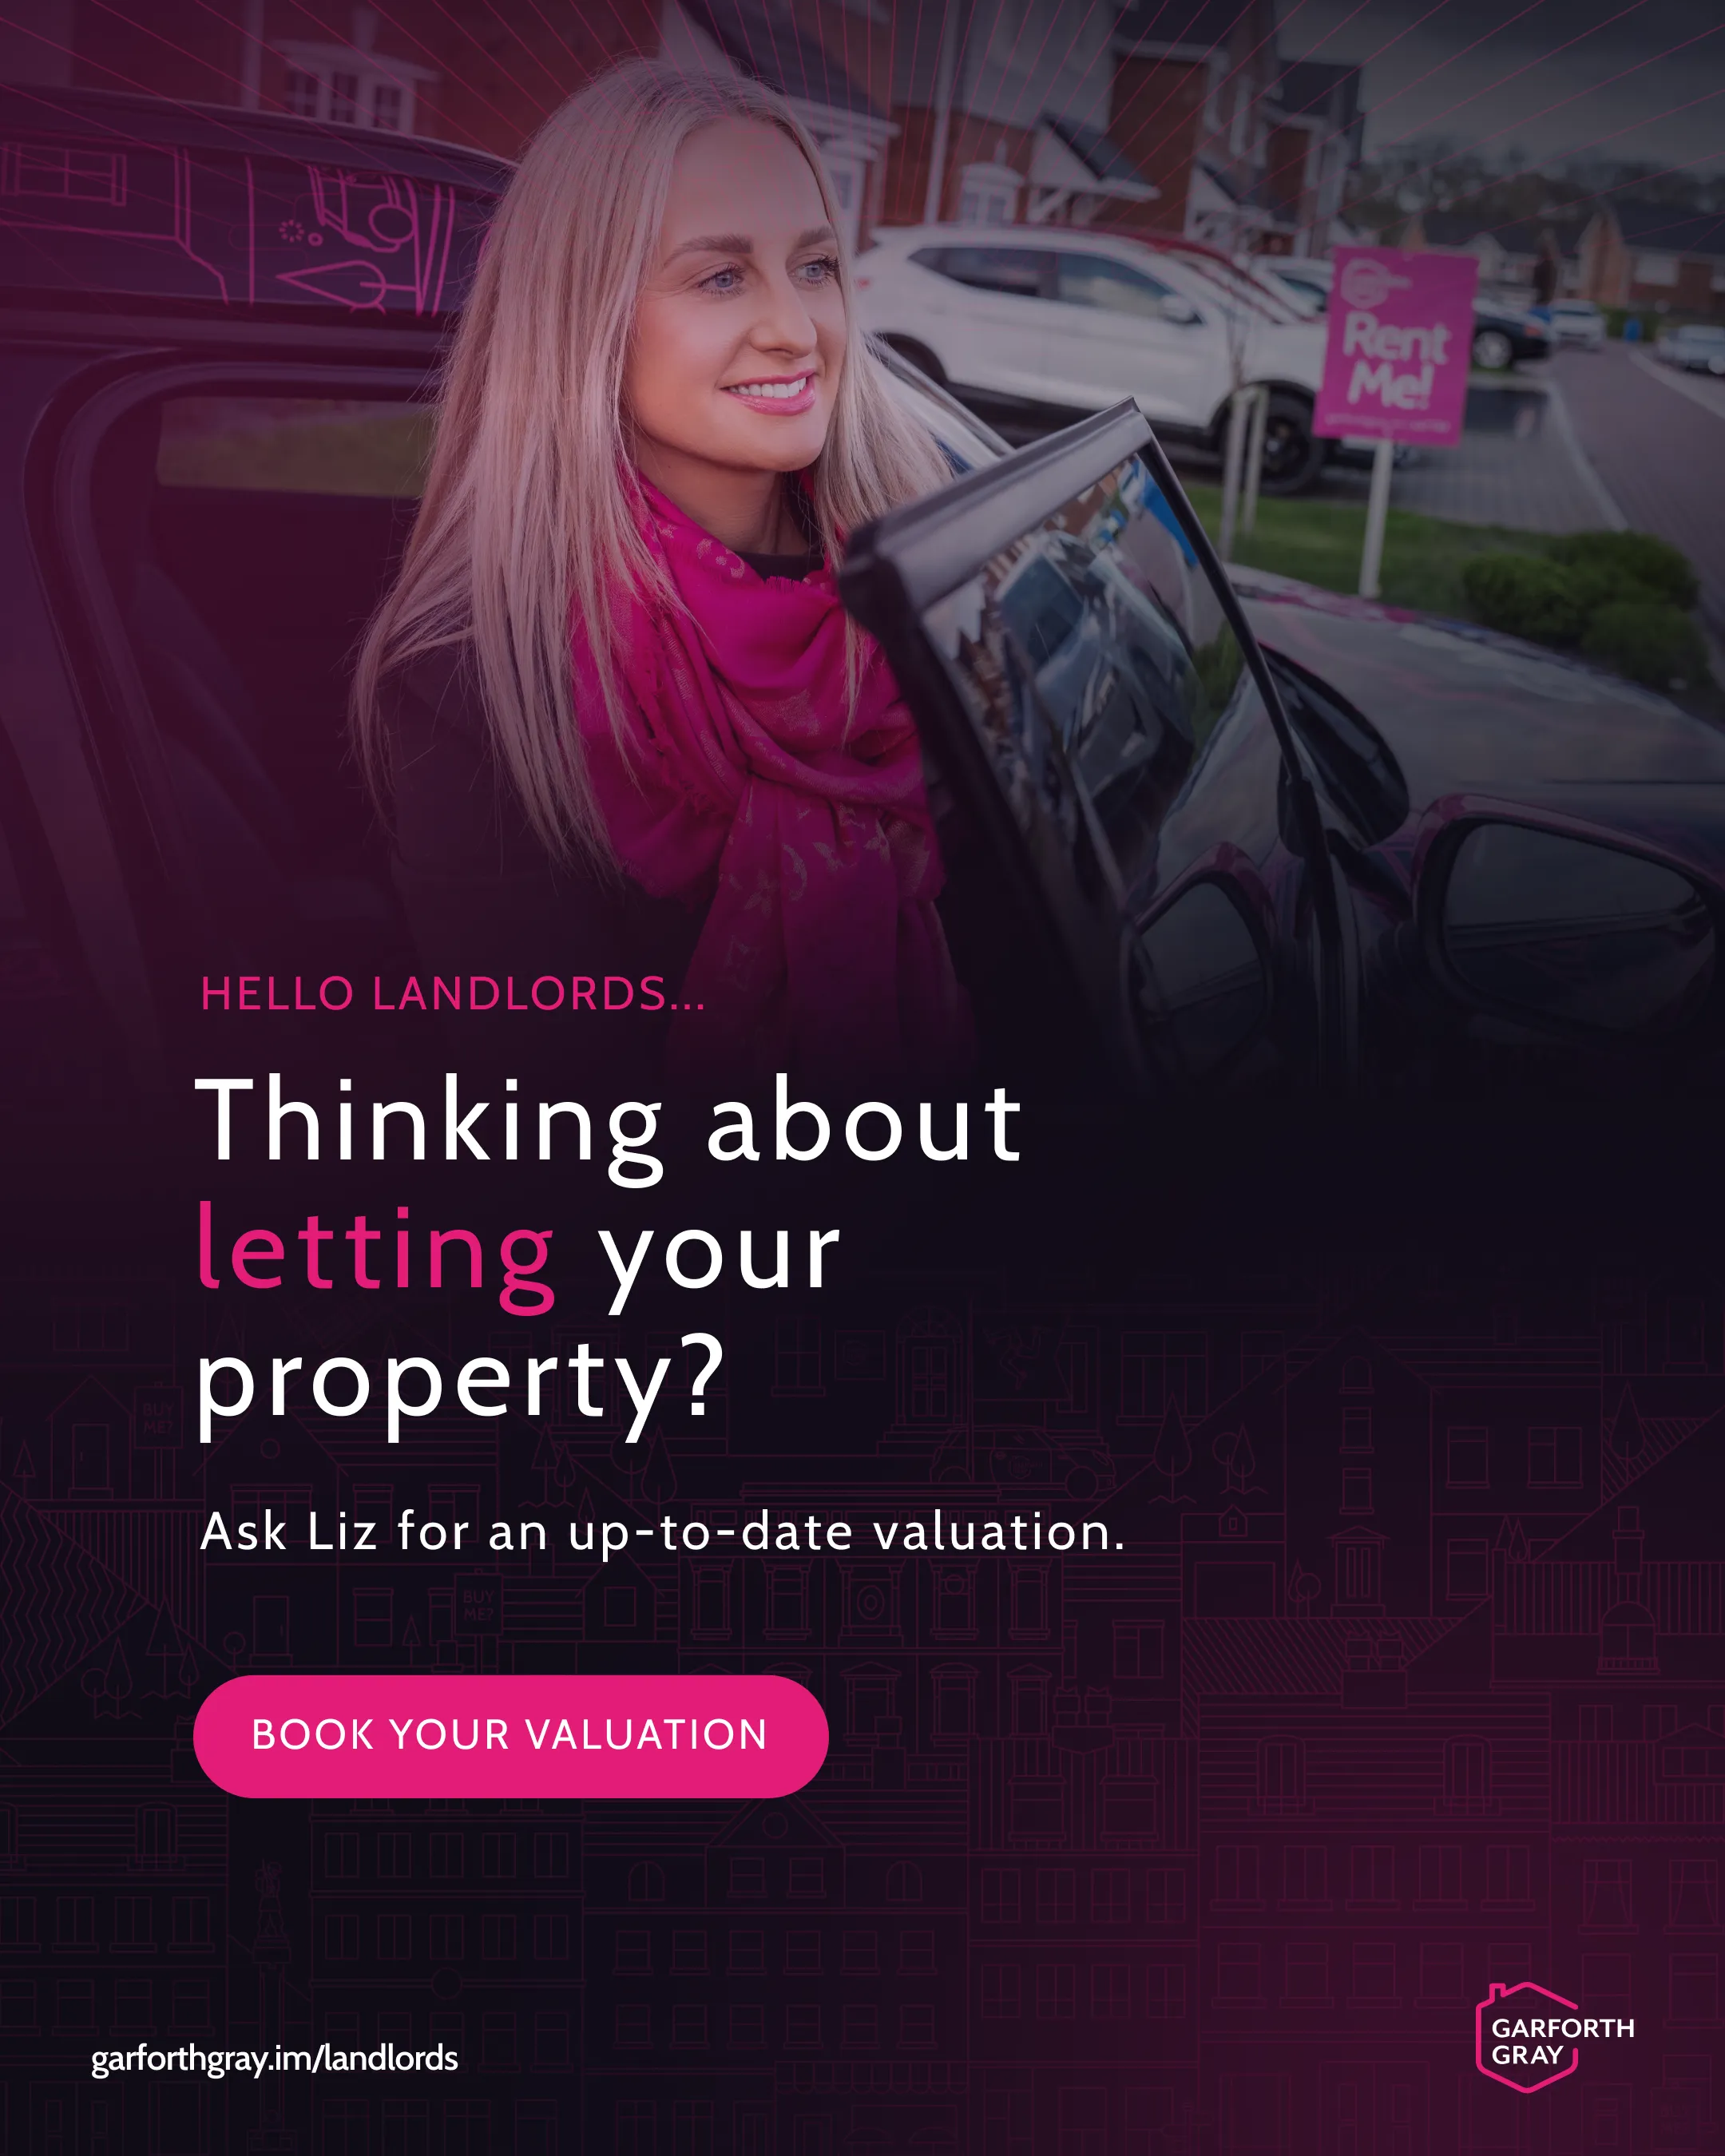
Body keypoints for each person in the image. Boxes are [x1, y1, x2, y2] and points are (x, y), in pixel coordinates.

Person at [354, 60, 968, 1085]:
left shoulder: (939, 584)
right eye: (721, 276)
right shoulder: (474, 679)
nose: (794, 327)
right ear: (585, 315)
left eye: (814, 266)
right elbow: (554, 1115)